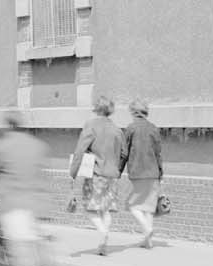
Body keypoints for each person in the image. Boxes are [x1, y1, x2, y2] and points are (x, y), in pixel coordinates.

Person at [0, 111, 50, 266]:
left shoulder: (1, 146)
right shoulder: (38, 145)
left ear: (9, 126)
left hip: (12, 203)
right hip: (38, 204)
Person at [70, 94, 124, 256]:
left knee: (90, 208)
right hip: (112, 175)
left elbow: (80, 150)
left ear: (96, 108)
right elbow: (124, 152)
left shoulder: (91, 125)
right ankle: (103, 244)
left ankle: (102, 232)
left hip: (96, 173)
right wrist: (116, 169)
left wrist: (73, 172)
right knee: (105, 209)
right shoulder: (117, 129)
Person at [120, 98, 165, 249]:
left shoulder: (131, 128)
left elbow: (124, 153)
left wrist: (118, 171)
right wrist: (161, 173)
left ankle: (147, 229)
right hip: (153, 171)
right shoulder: (154, 128)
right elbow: (158, 153)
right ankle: (148, 242)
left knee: (132, 205)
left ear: (134, 112)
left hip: (138, 171)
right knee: (148, 206)